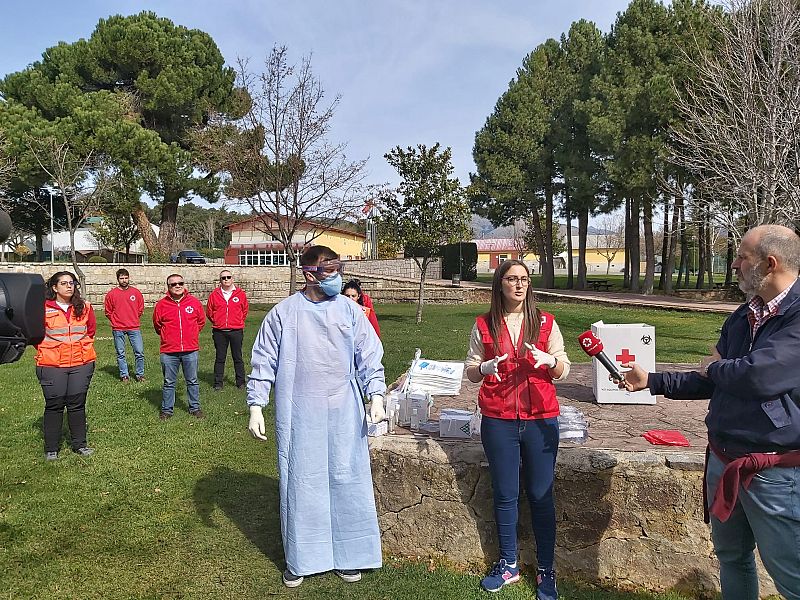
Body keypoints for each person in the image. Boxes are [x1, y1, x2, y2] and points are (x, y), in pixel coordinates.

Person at [620, 224, 800, 600]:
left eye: (741, 257)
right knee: (732, 558)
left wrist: (716, 368)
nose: (734, 264)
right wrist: (652, 381)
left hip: (775, 473)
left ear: (770, 263)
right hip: (723, 458)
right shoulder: (744, 315)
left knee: (792, 576)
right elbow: (714, 379)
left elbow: (759, 377)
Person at [247, 245, 386, 588]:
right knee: (301, 481)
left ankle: (349, 554)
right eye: (329, 270)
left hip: (344, 408)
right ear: (309, 274)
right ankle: (303, 557)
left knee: (347, 478)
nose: (336, 277)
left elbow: (369, 355)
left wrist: (377, 393)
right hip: (299, 410)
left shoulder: (350, 312)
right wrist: (255, 404)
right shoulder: (283, 314)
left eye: (338, 268)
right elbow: (264, 360)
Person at [464, 259, 570, 599]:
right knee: (506, 494)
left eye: (524, 279)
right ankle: (508, 563)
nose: (519, 285)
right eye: (512, 279)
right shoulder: (484, 325)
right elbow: (469, 370)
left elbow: (564, 366)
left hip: (540, 419)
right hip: (499, 420)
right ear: (500, 285)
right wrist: (484, 366)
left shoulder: (546, 323)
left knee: (541, 495)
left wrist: (551, 362)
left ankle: (545, 569)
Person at [35, 272, 97, 460]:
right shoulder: (41, 308)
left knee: (77, 404)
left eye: (72, 283)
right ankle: (51, 448)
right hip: (52, 364)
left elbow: (91, 330)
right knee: (54, 405)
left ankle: (80, 444)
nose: (69, 286)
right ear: (54, 287)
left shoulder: (85, 307)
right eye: (64, 283)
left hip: (81, 363)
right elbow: (34, 334)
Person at [153, 274, 206, 420]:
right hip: (169, 351)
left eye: (180, 283)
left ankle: (194, 408)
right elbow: (157, 325)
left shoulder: (194, 303)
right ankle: (167, 410)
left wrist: (192, 334)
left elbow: (201, 322)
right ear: (168, 287)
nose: (177, 286)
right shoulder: (161, 305)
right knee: (169, 382)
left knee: (192, 380)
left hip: (190, 350)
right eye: (173, 284)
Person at [206, 269, 249, 391]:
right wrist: (217, 321)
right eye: (223, 278)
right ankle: (218, 383)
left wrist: (237, 321)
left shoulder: (240, 294)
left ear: (232, 279)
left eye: (228, 277)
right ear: (220, 280)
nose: (226, 280)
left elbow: (244, 310)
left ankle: (240, 382)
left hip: (236, 331)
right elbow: (209, 312)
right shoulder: (214, 294)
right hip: (220, 331)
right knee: (220, 357)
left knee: (238, 357)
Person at [104, 268, 145, 382]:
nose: (124, 280)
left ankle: (140, 374)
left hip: (134, 327)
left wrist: (134, 318)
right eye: (121, 278)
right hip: (118, 328)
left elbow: (140, 308)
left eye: (126, 278)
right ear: (118, 279)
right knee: (121, 353)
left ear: (129, 278)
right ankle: (124, 375)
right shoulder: (111, 294)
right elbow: (108, 311)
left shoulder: (136, 293)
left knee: (139, 352)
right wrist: (115, 320)